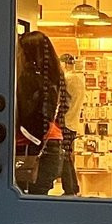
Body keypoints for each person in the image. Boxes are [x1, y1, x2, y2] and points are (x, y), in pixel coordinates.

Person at [15, 30, 67, 195]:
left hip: (31, 147)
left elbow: (30, 117)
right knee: (39, 199)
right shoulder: (55, 76)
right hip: (52, 144)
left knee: (26, 199)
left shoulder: (28, 78)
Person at [59, 53, 86, 197]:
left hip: (66, 122)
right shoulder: (79, 79)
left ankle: (69, 188)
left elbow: (62, 102)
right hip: (74, 122)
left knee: (63, 155)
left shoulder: (67, 79)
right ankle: (73, 186)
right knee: (67, 155)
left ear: (63, 64)